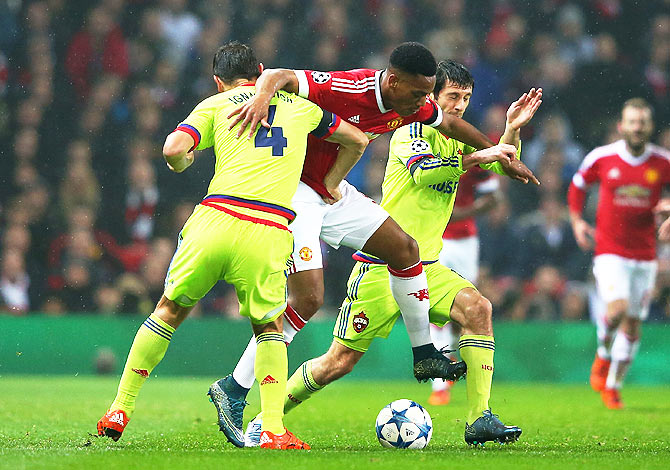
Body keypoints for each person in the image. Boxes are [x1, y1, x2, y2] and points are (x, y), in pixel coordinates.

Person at [208, 43, 538, 444]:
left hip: (349, 204)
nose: (435, 105)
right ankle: (240, 392)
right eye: (443, 96)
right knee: (320, 323)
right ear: (397, 82)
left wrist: (501, 142)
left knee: (424, 265)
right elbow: (280, 75)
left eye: (463, 98)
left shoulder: (419, 111)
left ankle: (437, 369)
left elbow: (455, 131)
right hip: (301, 197)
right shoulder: (366, 100)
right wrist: (263, 95)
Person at [96, 41, 369, 450]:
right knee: (270, 329)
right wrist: (330, 182)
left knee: (168, 311)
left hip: (215, 220)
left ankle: (119, 408)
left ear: (217, 79)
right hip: (268, 227)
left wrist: (182, 163)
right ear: (260, 70)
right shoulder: (301, 106)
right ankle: (273, 428)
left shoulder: (214, 104)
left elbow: (173, 149)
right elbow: (358, 139)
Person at [568, 98, 670, 410]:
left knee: (634, 325)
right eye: (632, 122)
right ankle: (602, 352)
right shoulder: (602, 158)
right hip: (610, 250)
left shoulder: (662, 163)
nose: (637, 128)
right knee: (617, 311)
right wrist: (576, 220)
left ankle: (613, 385)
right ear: (621, 126)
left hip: (645, 254)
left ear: (650, 127)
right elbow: (577, 186)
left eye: (643, 122)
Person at [429, 164, 501, 406]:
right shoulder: (424, 151)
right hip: (433, 237)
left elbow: (493, 198)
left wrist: (458, 212)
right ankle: (439, 384)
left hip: (465, 241)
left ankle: (456, 364)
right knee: (434, 308)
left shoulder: (472, 158)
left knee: (466, 310)